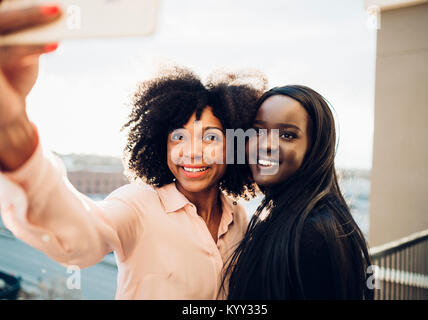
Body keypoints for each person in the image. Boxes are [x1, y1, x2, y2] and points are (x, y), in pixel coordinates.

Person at [0, 4, 267, 299]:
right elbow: (82, 234)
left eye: (211, 138)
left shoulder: (241, 220)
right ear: (160, 143)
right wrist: (16, 137)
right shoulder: (138, 205)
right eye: (178, 135)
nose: (192, 152)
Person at [221, 85, 374, 299]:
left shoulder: (311, 234)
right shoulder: (294, 216)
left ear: (315, 148)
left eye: (286, 135)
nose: (266, 144)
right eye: (257, 131)